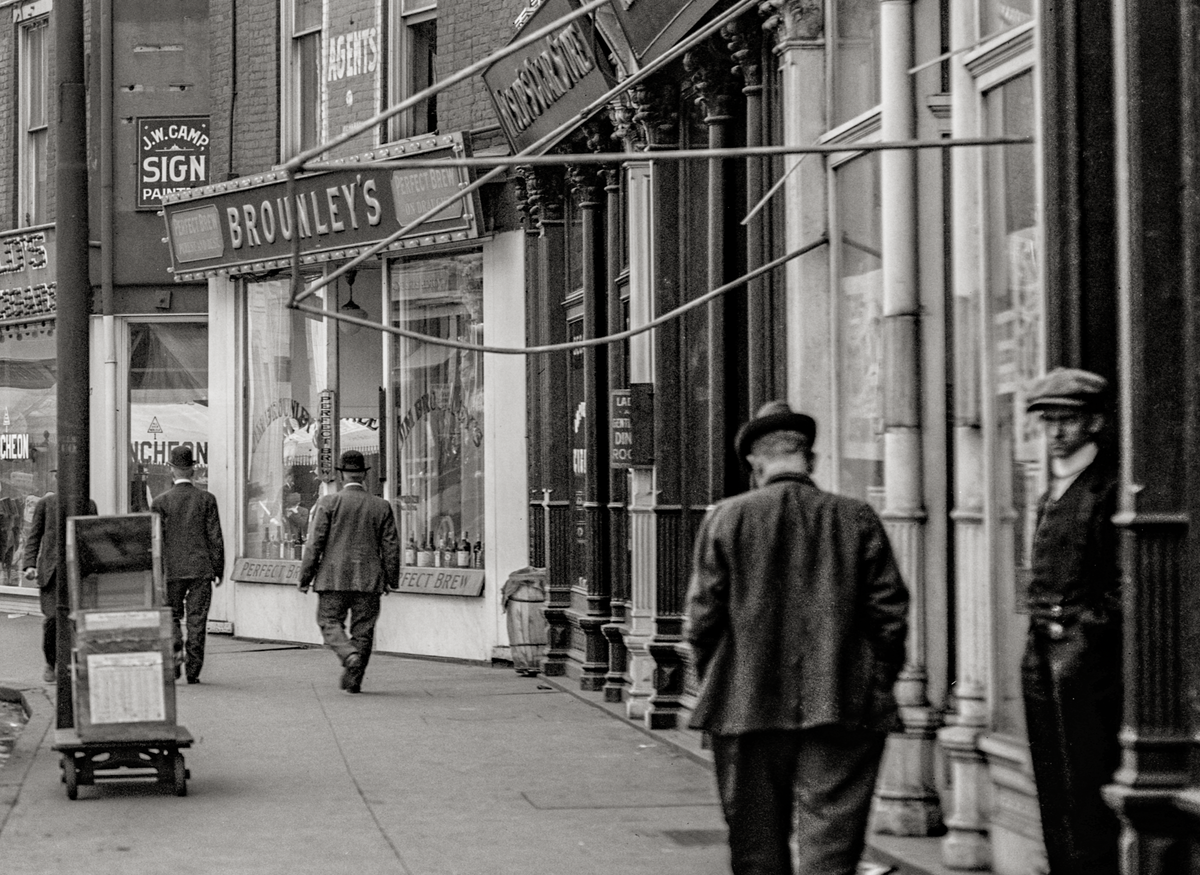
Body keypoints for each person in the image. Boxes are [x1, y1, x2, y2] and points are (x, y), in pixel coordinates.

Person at [685, 400, 909, 875]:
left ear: (755, 463)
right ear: (811, 459)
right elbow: (889, 615)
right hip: (842, 702)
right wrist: (875, 679)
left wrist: (723, 681)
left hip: (746, 706)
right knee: (831, 848)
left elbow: (702, 621)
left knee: (756, 847)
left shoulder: (727, 518)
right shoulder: (855, 518)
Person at [1021, 367, 1122, 875]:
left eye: (1067, 421)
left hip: (1084, 659)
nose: (1055, 433)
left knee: (1084, 778)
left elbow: (1123, 585)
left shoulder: (1108, 490)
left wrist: (1087, 631)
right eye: (1047, 422)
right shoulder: (1051, 494)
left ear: (1095, 424)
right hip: (1043, 649)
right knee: (1051, 775)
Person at [298, 450, 400, 693]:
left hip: (333, 578)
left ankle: (347, 653)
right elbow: (391, 547)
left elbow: (315, 544)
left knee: (328, 620)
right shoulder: (381, 506)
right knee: (363, 630)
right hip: (369, 579)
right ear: (363, 476)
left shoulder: (328, 503)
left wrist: (305, 577)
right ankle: (354, 680)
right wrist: (391, 579)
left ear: (341, 475)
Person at [151, 445, 225, 684]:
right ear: (193, 470)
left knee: (170, 614)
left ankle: (174, 652)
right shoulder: (206, 499)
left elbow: (156, 542)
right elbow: (215, 537)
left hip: (171, 570)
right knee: (197, 618)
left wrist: (157, 571)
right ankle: (193, 670)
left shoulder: (160, 503)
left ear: (171, 470)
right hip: (201, 568)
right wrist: (218, 568)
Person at [22, 474, 96, 683]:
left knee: (78, 621)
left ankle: (77, 664)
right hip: (52, 573)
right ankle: (50, 663)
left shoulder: (88, 505)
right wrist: (29, 565)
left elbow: (93, 538)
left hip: (78, 573)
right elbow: (34, 536)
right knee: (52, 621)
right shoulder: (45, 504)